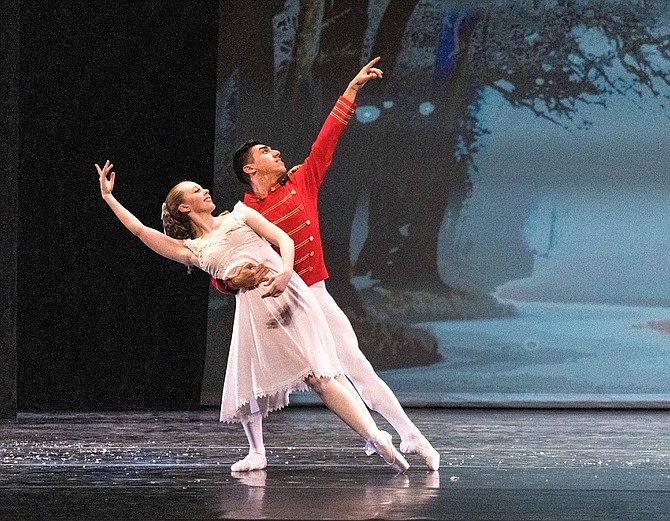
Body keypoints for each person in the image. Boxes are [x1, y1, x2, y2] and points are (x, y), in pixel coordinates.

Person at [95, 160, 409, 475]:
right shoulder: (191, 249)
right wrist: (109, 198)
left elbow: (285, 240)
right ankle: (258, 451)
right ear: (184, 208)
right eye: (195, 191)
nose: (204, 191)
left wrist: (286, 272)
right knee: (249, 381)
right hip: (255, 312)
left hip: (290, 295)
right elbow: (139, 230)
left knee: (322, 374)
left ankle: (374, 435)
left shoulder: (239, 214)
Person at [213, 57, 440, 470]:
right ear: (249, 169)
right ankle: (257, 451)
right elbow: (221, 261)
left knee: (354, 365)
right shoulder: (241, 213)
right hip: (274, 306)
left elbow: (326, 140)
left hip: (313, 294)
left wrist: (351, 90)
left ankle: (410, 435)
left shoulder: (301, 181)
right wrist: (228, 285)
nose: (277, 151)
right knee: (254, 375)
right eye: (266, 151)